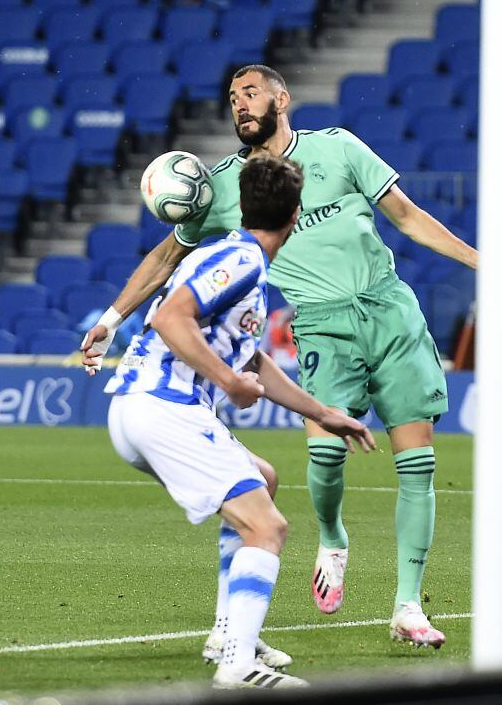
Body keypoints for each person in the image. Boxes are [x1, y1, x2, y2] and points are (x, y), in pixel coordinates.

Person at [82, 64, 502, 649]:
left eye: (251, 93)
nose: (240, 104)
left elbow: (406, 216)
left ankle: (408, 604)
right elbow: (165, 257)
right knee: (325, 455)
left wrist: (486, 263)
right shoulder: (224, 186)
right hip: (321, 324)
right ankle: (332, 536)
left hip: (391, 311)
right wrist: (110, 319)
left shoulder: (339, 148)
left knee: (417, 462)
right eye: (232, 97)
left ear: (281, 99)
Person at [103, 155, 376, 689]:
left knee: (263, 479)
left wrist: (324, 414)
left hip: (142, 409)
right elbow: (171, 318)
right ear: (296, 215)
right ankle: (237, 664)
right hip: (162, 406)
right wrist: (227, 383)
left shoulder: (232, 254)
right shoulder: (243, 260)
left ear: (244, 207)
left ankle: (229, 633)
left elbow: (250, 357)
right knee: (267, 527)